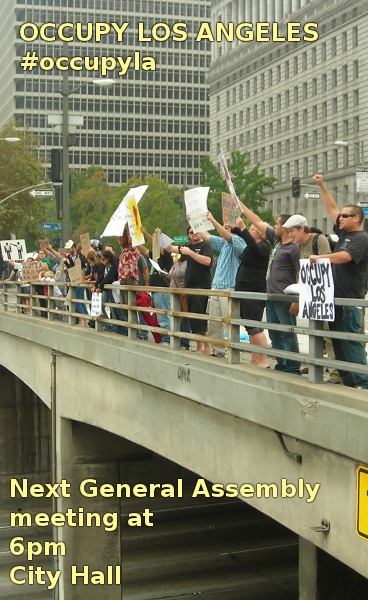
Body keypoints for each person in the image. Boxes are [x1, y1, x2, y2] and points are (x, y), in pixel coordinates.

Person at [311, 174, 368, 389]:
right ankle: (349, 381)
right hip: (334, 300)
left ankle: (362, 383)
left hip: (349, 301)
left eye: (346, 215)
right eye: (341, 216)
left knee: (351, 343)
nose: (341, 218)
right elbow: (331, 208)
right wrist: (321, 185)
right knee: (338, 343)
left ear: (357, 219)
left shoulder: (361, 239)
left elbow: (344, 257)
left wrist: (320, 257)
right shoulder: (344, 234)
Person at [237, 199, 301, 375]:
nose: (274, 226)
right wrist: (240, 204)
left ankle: (293, 367)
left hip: (284, 297)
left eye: (277, 224)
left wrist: (297, 299)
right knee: (275, 333)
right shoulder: (277, 241)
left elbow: (301, 274)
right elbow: (257, 221)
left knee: (288, 332)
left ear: (286, 228)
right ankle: (282, 363)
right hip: (270, 295)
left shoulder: (294, 248)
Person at [282, 213, 341, 383]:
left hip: (324, 294)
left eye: (292, 231)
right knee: (316, 333)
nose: (290, 235)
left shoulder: (318, 240)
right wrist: (298, 295)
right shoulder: (299, 246)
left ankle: (336, 374)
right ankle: (317, 367)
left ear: (302, 228)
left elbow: (328, 264)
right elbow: (302, 271)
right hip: (312, 295)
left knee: (329, 336)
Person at [199, 211, 246, 358]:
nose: (224, 229)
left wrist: (213, 219)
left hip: (229, 286)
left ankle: (233, 352)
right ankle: (218, 352)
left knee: (229, 323)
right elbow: (206, 236)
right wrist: (194, 221)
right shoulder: (224, 243)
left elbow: (228, 236)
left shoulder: (240, 242)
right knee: (214, 323)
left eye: (227, 227)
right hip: (217, 286)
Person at [233, 217, 271, 368]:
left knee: (255, 326)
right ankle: (254, 358)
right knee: (249, 326)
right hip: (244, 289)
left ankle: (264, 359)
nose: (249, 231)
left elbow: (254, 248)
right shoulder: (251, 246)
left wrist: (242, 229)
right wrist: (235, 229)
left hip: (253, 289)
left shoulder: (264, 246)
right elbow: (247, 243)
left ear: (260, 233)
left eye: (252, 229)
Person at [138, 226, 173, 345]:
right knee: (159, 316)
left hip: (162, 290)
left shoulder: (167, 255)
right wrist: (135, 243)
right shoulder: (156, 255)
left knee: (163, 316)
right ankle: (164, 338)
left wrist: (145, 233)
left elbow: (156, 245)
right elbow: (146, 252)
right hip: (155, 291)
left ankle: (167, 340)